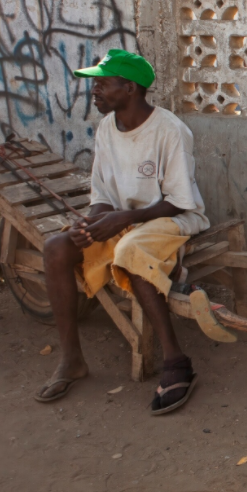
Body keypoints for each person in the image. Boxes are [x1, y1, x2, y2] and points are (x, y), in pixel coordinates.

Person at [35, 49, 212, 415]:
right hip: (126, 220)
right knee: (57, 247)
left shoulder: (170, 131)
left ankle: (177, 361)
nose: (94, 91)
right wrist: (93, 222)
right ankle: (71, 360)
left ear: (130, 88)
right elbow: (102, 195)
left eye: (102, 84)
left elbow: (179, 200)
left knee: (131, 249)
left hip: (172, 218)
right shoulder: (106, 127)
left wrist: (121, 221)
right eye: (94, 84)